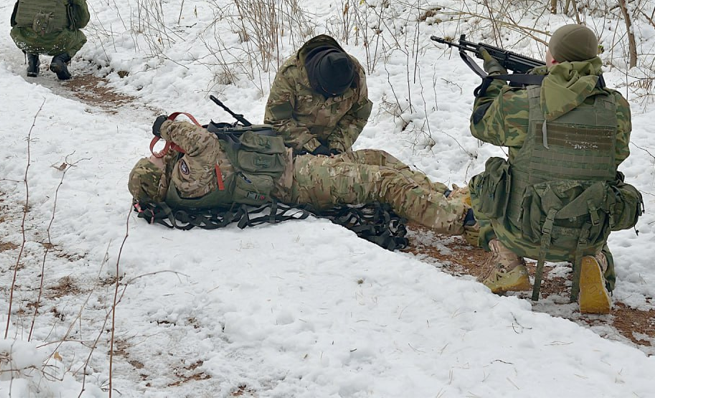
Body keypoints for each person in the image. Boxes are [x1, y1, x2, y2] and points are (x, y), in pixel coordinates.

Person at [464, 24, 643, 313]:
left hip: (522, 230)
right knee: (601, 194)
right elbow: (617, 156)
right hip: (585, 233)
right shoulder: (617, 107)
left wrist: (495, 80)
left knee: (487, 181)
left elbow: (480, 124)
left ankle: (507, 261)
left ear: (553, 59)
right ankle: (594, 263)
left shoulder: (523, 103)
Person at [128, 116, 469, 235]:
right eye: (155, 164)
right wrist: (166, 127)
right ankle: (459, 219)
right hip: (300, 179)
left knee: (375, 157)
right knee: (382, 182)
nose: (160, 160)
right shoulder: (184, 179)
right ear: (155, 179)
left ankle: (442, 194)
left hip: (294, 168)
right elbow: (201, 140)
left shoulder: (180, 184)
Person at [264, 35, 372, 156]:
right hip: (295, 148)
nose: (334, 97)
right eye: (330, 93)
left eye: (339, 95)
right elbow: (277, 121)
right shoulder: (290, 75)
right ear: (316, 83)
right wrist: (313, 147)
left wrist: (337, 145)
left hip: (336, 150)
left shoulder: (354, 73)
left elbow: (358, 115)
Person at [10, 0, 90, 80]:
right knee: (80, 38)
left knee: (31, 25)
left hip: (23, 37)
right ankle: (59, 60)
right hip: (57, 40)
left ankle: (32, 62)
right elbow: (82, 17)